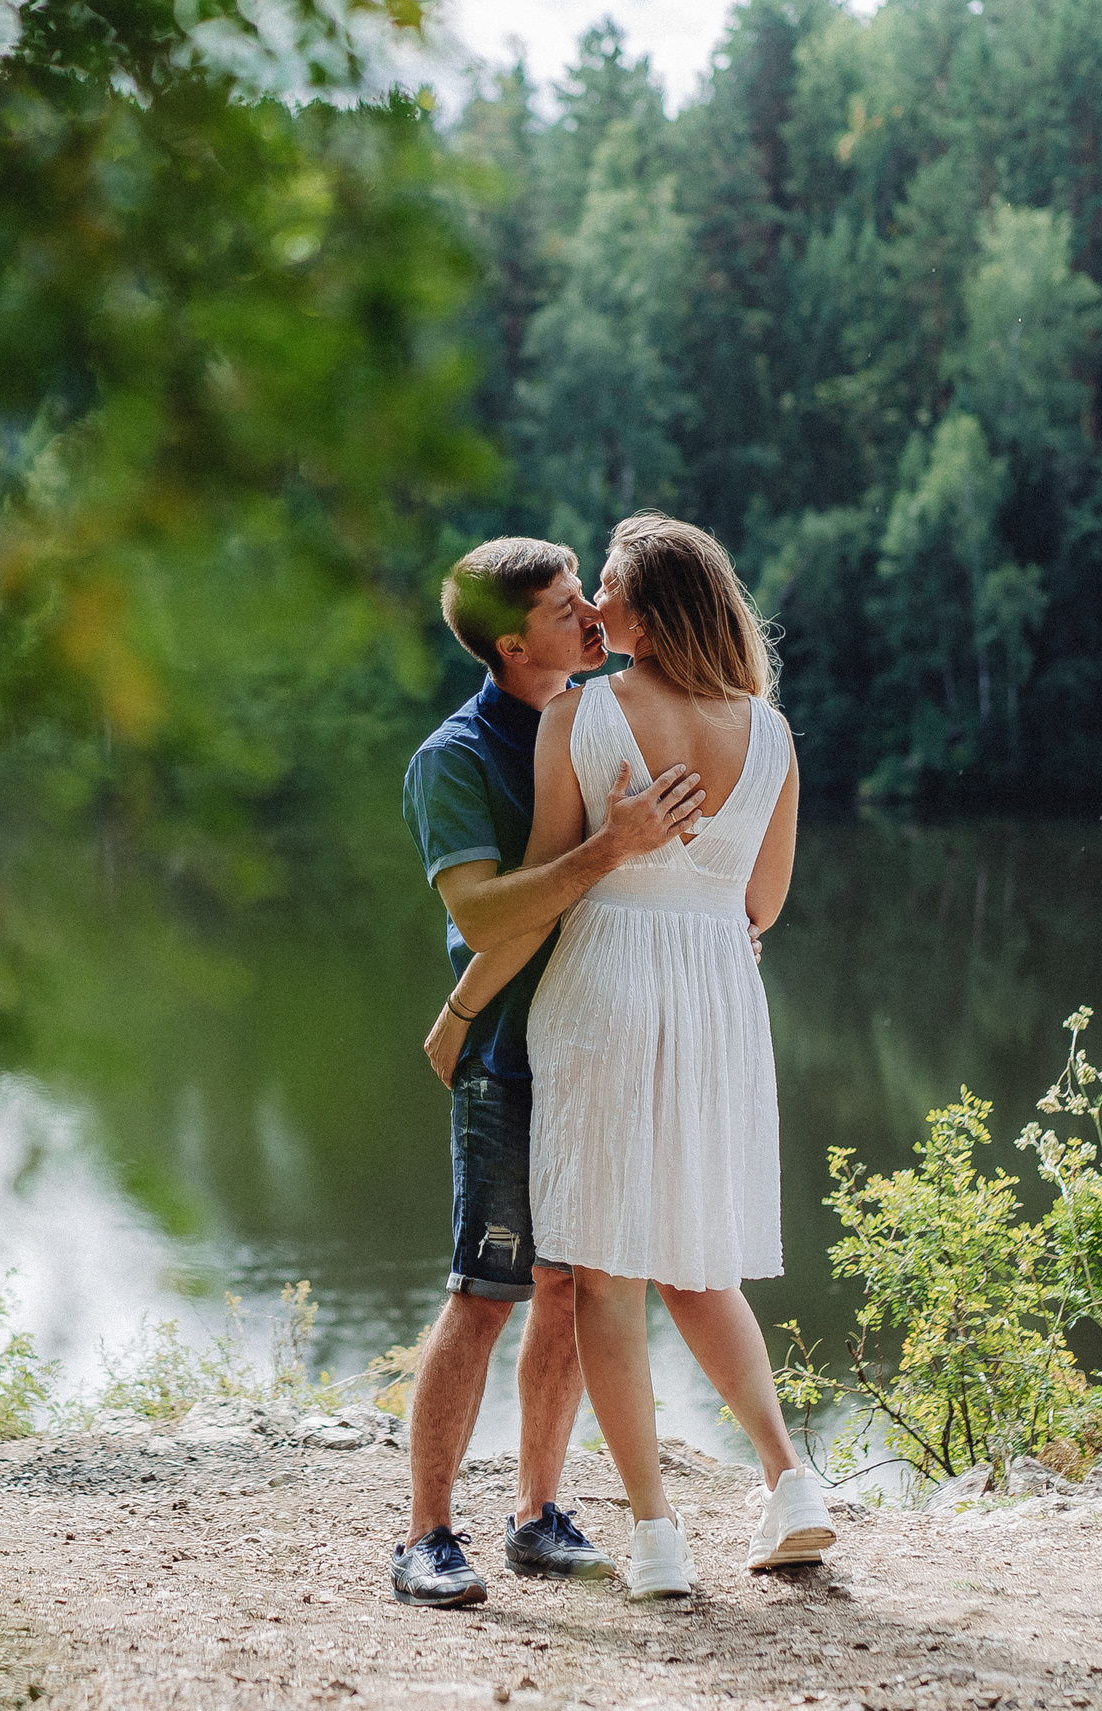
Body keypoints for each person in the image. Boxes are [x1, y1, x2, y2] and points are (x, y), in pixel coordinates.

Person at [427, 512, 832, 1601]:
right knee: (699, 1261)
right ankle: (791, 1484)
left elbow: (556, 879)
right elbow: (763, 905)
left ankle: (655, 1538)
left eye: (604, 588)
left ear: (648, 610)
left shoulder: (582, 713)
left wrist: (460, 1010)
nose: (594, 607)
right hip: (716, 996)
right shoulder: (772, 732)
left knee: (603, 1277)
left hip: (604, 988)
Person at [392, 536, 707, 1608]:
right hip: (510, 1063)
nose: (592, 617)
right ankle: (427, 1534)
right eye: (568, 606)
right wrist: (606, 852)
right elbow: (481, 910)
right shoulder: (454, 758)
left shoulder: (609, 715)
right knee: (484, 1293)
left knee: (572, 1289)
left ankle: (536, 1513)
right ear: (511, 641)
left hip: (605, 1051)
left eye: (588, 597)